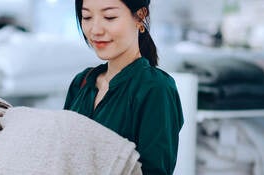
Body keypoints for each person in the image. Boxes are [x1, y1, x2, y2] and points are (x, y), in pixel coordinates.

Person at [63, 0, 184, 174]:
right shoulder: (82, 82)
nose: (95, 30)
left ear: (140, 16)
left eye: (109, 17)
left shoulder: (155, 89)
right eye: (87, 17)